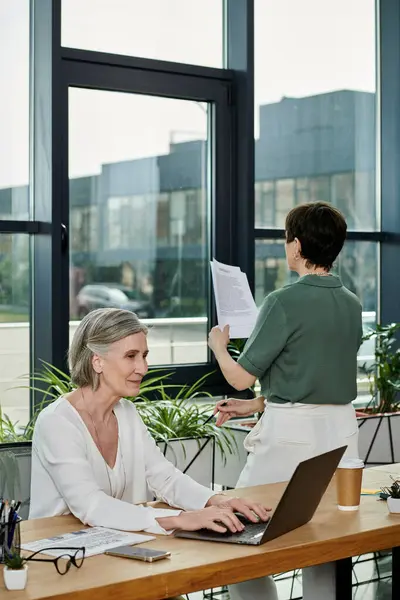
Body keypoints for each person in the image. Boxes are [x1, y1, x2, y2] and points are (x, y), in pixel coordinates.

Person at [208, 202, 363, 600]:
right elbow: (319, 378)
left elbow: (241, 377)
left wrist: (220, 348)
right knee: (325, 543)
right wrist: (260, 405)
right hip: (342, 434)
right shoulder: (352, 303)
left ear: (296, 246)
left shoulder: (282, 301)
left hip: (291, 437)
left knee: (239, 527)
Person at [29, 308, 270, 542]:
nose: (143, 368)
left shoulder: (126, 413)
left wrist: (217, 500)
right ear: (97, 362)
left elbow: (164, 477)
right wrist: (179, 519)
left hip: (114, 545)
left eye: (144, 356)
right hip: (59, 556)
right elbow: (90, 505)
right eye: (130, 356)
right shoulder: (57, 422)